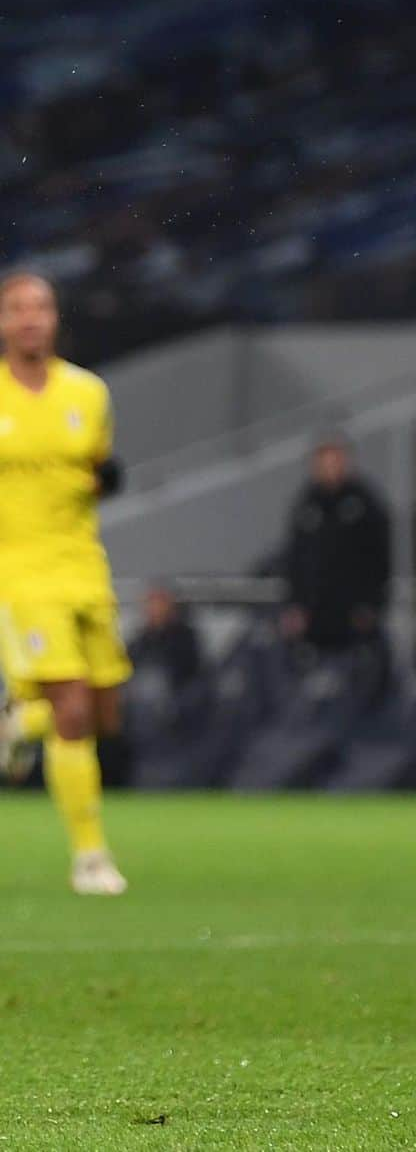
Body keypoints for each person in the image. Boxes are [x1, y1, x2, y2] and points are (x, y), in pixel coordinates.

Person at [0, 272, 131, 894]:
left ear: (55, 318)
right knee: (74, 709)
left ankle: (21, 722)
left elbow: (102, 470)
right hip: (18, 572)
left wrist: (106, 478)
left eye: (41, 307)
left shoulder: (89, 391)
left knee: (105, 714)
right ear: (3, 321)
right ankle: (90, 857)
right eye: (17, 308)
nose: (30, 318)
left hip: (83, 565)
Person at [281, 437, 391, 651]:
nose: (330, 468)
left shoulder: (364, 502)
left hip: (355, 616)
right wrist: (295, 605)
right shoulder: (306, 503)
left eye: (335, 461)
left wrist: (372, 604)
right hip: (314, 617)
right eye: (324, 462)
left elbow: (379, 558)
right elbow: (295, 558)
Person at [129, 583, 203, 692]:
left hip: (175, 694)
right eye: (150, 604)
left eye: (158, 604)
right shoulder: (140, 639)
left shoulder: (184, 637)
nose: (153, 609)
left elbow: (187, 669)